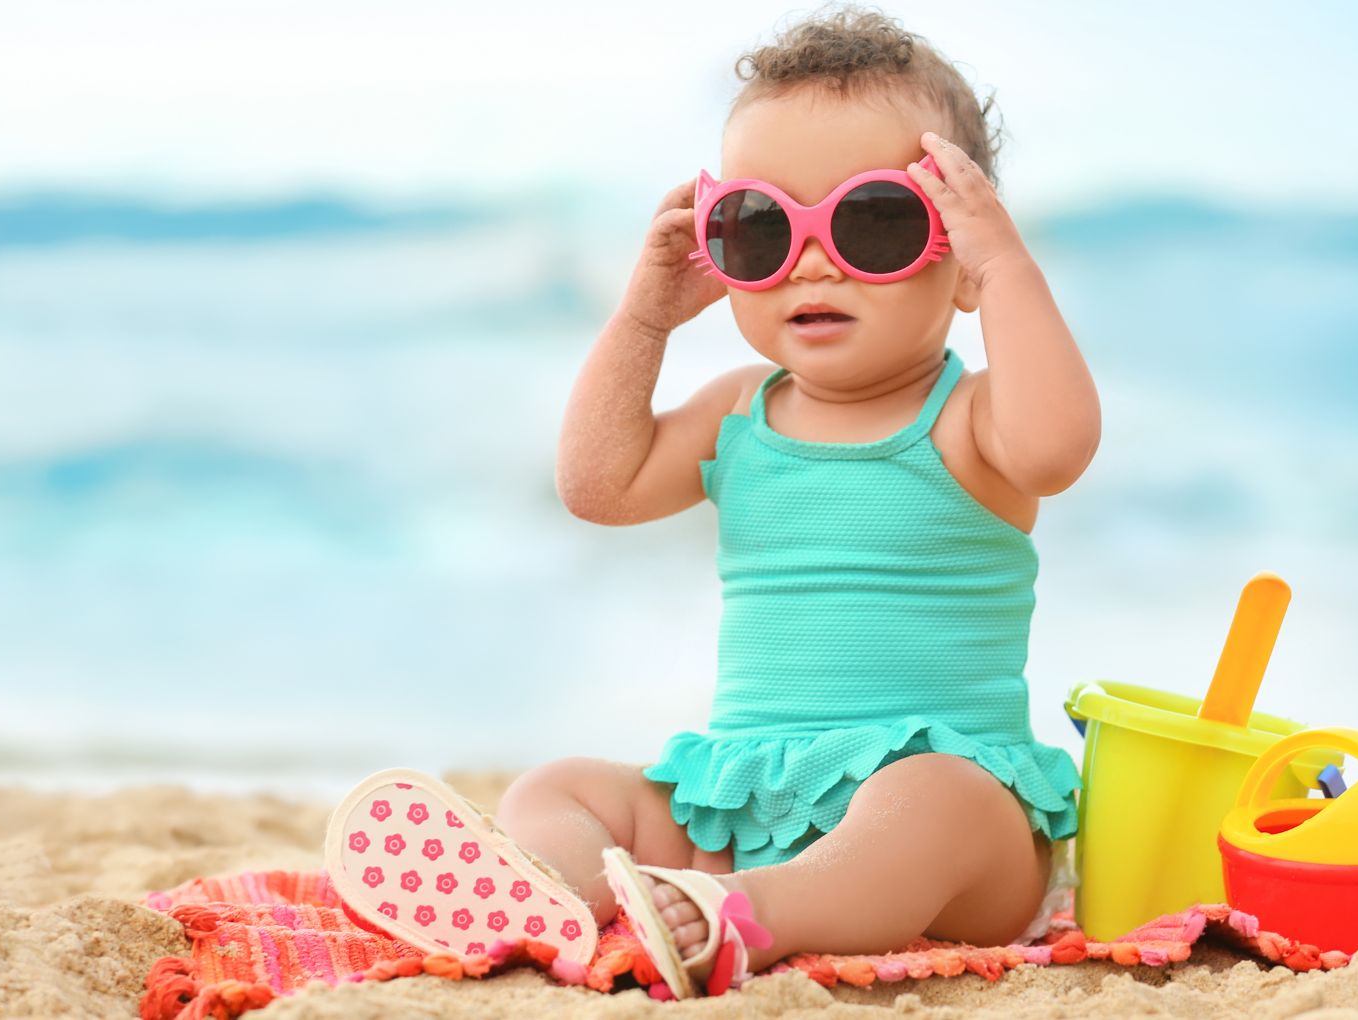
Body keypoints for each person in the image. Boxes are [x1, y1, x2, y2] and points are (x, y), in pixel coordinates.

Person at [323, 4, 1101, 999]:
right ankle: (553, 892)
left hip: (950, 834)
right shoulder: (740, 412)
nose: (814, 259)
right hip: (746, 806)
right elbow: (598, 487)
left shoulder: (972, 421)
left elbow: (1059, 447)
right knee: (560, 786)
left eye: (874, 221)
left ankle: (759, 918)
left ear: (956, 258)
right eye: (764, 227)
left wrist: (1008, 268)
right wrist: (644, 316)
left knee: (935, 800)